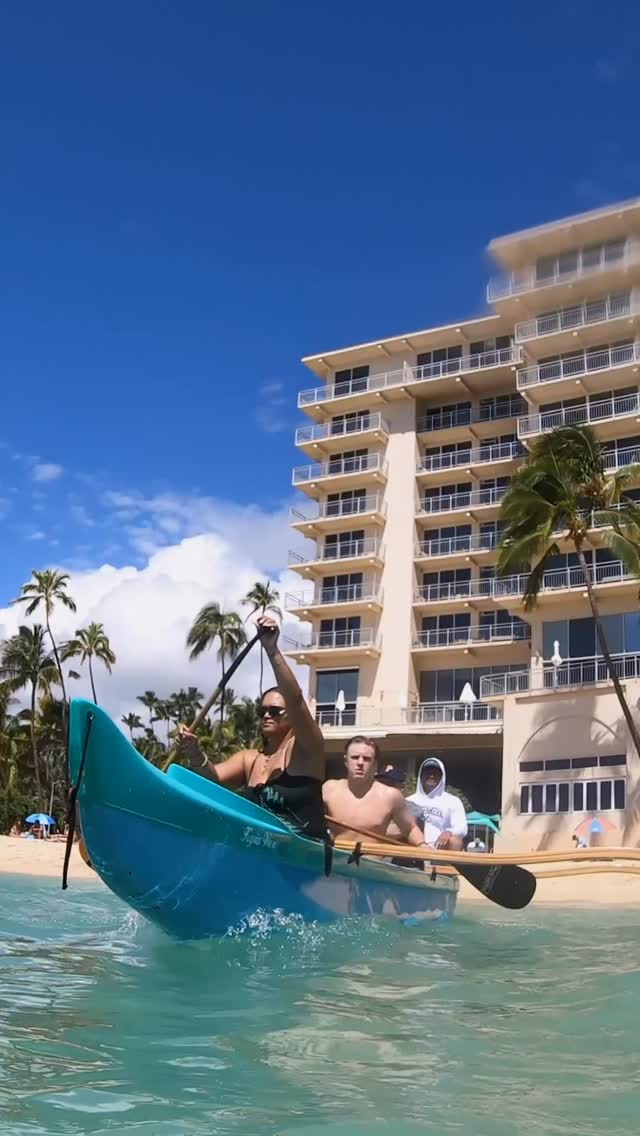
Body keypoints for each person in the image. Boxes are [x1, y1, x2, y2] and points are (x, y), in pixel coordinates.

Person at [177, 614, 326, 838]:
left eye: (275, 711)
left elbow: (295, 700)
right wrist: (194, 752)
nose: (266, 715)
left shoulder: (307, 749)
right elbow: (215, 778)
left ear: (292, 718)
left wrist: (272, 650)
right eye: (262, 711)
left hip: (303, 857)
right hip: (259, 848)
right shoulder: (250, 759)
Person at [323, 736, 426, 846]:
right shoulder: (329, 789)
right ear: (346, 761)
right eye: (355, 757)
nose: (360, 762)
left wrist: (422, 845)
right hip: (335, 861)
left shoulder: (390, 796)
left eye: (367, 759)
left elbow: (410, 828)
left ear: (375, 764)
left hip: (372, 861)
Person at [406, 757, 468, 851]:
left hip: (440, 848)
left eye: (435, 773)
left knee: (456, 841)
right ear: (421, 775)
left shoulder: (453, 801)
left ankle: (445, 864)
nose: (431, 776)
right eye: (428, 772)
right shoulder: (408, 800)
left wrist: (449, 832)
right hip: (414, 847)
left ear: (442, 776)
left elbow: (462, 828)